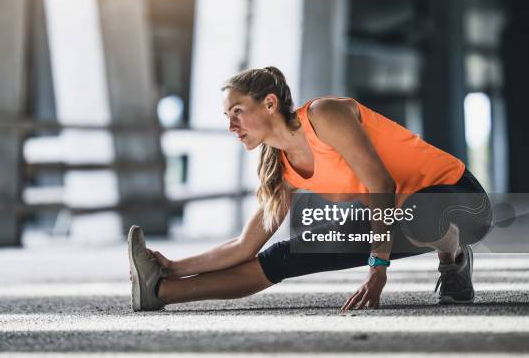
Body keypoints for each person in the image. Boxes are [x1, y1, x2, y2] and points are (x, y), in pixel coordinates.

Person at [127, 66, 492, 312]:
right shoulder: (283, 170)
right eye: (227, 117)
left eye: (238, 111)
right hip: (394, 215)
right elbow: (245, 246)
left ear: (270, 103)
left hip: (458, 198)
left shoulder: (323, 115)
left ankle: (453, 258)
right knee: (284, 255)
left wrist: (378, 267)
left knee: (421, 214)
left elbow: (382, 183)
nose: (232, 126)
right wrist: (172, 268)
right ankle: (159, 293)